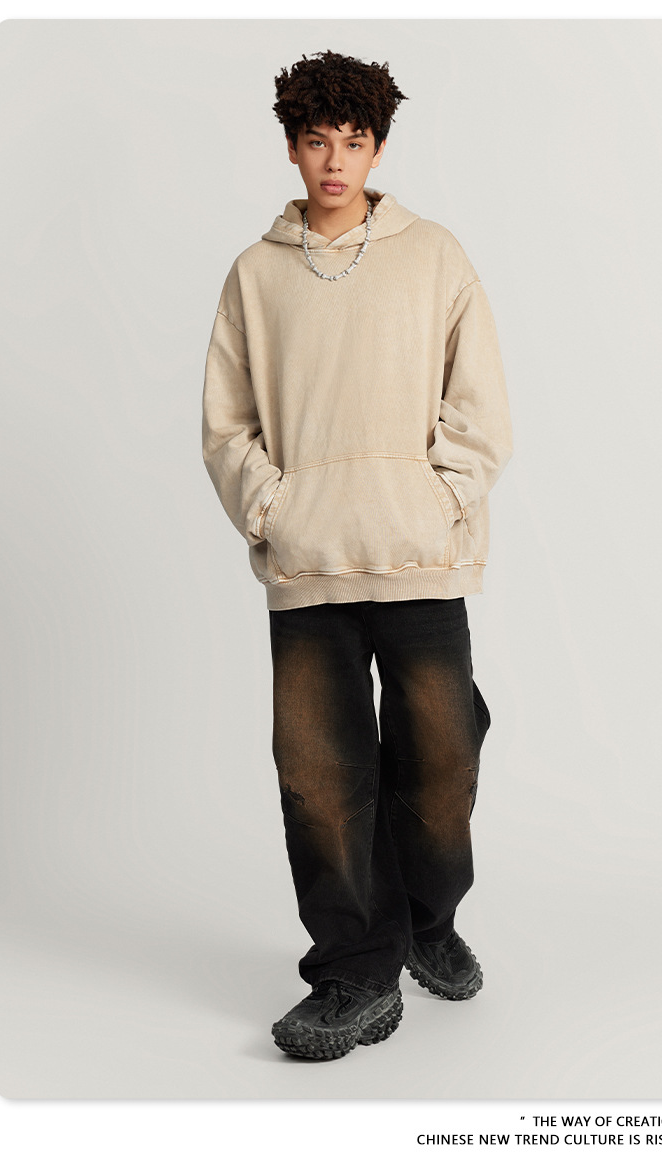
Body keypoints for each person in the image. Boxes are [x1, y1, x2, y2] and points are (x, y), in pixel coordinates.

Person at [201, 48, 513, 1060]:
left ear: (378, 146)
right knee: (321, 780)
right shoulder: (256, 274)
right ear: (291, 148)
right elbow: (226, 425)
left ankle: (427, 917)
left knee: (442, 760)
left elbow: (480, 407)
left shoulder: (435, 256)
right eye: (316, 140)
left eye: (354, 140)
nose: (335, 160)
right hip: (309, 571)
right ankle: (354, 971)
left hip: (419, 559)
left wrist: (436, 501)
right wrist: (276, 510)